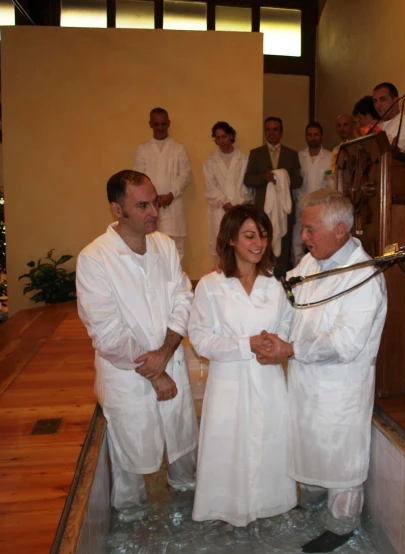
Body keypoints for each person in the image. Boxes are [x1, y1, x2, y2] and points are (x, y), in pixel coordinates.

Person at [256, 189, 388, 553]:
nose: (304, 237)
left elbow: (345, 343)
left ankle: (343, 524)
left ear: (341, 230)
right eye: (304, 228)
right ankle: (313, 501)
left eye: (311, 229)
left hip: (340, 387)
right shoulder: (312, 261)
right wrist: (275, 336)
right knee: (308, 442)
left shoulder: (364, 275)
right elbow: (289, 303)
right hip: (306, 380)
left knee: (340, 455)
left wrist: (291, 349)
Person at [76, 170, 198, 512]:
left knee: (183, 454)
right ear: (118, 210)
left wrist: (165, 353)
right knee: (131, 472)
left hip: (169, 361)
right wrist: (155, 372)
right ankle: (132, 524)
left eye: (154, 202)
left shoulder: (164, 245)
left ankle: (189, 514)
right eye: (142, 205)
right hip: (128, 377)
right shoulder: (95, 259)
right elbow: (107, 333)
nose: (154, 213)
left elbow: (183, 298)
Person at [188, 204, 296, 527]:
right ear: (231, 238)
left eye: (263, 236)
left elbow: (289, 325)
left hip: (267, 380)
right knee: (229, 444)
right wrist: (244, 344)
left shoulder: (274, 284)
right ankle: (226, 507)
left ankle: (269, 504)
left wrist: (277, 347)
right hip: (229, 383)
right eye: (249, 236)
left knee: (268, 440)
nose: (258, 244)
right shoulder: (211, 285)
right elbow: (200, 340)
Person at [244, 116, 302, 277]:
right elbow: (248, 179)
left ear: (281, 132)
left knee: (284, 247)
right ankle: (262, 279)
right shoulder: (256, 154)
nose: (271, 133)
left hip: (284, 210)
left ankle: (283, 281)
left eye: (275, 129)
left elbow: (298, 181)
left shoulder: (291, 154)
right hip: (263, 210)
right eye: (268, 129)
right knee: (263, 244)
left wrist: (283, 178)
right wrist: (265, 177)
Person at [134, 107, 193, 261]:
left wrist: (171, 194)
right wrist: (154, 198)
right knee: (151, 248)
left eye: (163, 124)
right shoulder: (143, 149)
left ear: (168, 123)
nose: (160, 128)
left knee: (175, 251)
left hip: (173, 204)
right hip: (150, 205)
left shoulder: (179, 148)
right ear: (150, 124)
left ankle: (175, 284)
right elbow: (139, 177)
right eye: (157, 124)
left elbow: (185, 175)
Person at [203, 121, 252, 258]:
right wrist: (225, 203)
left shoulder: (243, 159)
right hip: (219, 210)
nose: (221, 141)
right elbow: (210, 188)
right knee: (221, 247)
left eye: (224, 136)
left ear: (231, 136)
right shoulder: (210, 161)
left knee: (240, 245)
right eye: (217, 138)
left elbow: (247, 185)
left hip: (239, 208)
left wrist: (236, 204)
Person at [294, 122, 333, 264]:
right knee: (298, 241)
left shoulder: (330, 157)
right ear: (306, 136)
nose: (313, 137)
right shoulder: (298, 157)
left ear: (321, 136)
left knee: (319, 240)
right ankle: (298, 273)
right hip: (301, 206)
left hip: (321, 208)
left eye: (316, 134)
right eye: (310, 135)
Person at [372, 82, 405, 156]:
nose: (378, 105)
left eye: (383, 99)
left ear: (395, 100)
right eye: (375, 101)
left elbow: (390, 153)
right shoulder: (378, 127)